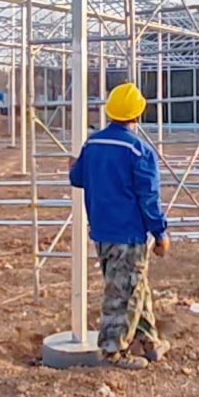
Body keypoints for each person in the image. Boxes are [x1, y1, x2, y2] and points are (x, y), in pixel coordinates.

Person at [69, 81, 170, 366]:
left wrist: (76, 165)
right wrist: (160, 233)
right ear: (137, 114)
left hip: (102, 231)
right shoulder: (138, 150)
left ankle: (149, 341)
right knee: (123, 292)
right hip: (129, 235)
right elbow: (148, 198)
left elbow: (76, 178)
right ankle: (113, 351)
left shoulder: (93, 143)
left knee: (133, 286)